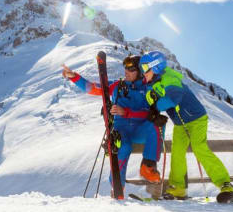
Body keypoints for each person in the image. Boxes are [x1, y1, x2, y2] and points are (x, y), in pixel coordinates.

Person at [139, 51, 233, 200]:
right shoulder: (151, 85)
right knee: (177, 152)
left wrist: (157, 105)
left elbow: (173, 98)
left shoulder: (170, 78)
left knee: (199, 147)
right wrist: (154, 112)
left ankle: (225, 184)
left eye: (145, 68)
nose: (142, 72)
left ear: (155, 67)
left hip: (197, 118)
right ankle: (178, 188)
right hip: (180, 124)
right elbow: (151, 101)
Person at [62, 55, 166, 192]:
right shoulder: (118, 85)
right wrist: (73, 76)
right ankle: (118, 186)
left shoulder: (148, 87)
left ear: (140, 71)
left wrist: (127, 112)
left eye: (131, 69)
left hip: (141, 129)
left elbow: (152, 113)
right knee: (123, 146)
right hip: (122, 128)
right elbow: (93, 88)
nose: (126, 72)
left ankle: (148, 166)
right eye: (125, 69)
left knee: (158, 123)